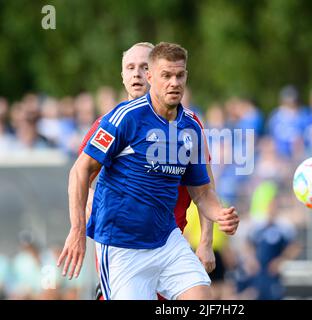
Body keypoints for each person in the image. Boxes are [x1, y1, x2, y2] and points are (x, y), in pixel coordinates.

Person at [57, 42, 239, 300]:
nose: (174, 82)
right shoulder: (121, 119)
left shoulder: (191, 126)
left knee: (201, 298)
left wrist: (220, 217)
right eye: (166, 76)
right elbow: (80, 172)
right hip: (123, 245)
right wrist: (78, 228)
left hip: (167, 238)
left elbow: (202, 191)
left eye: (179, 75)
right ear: (152, 78)